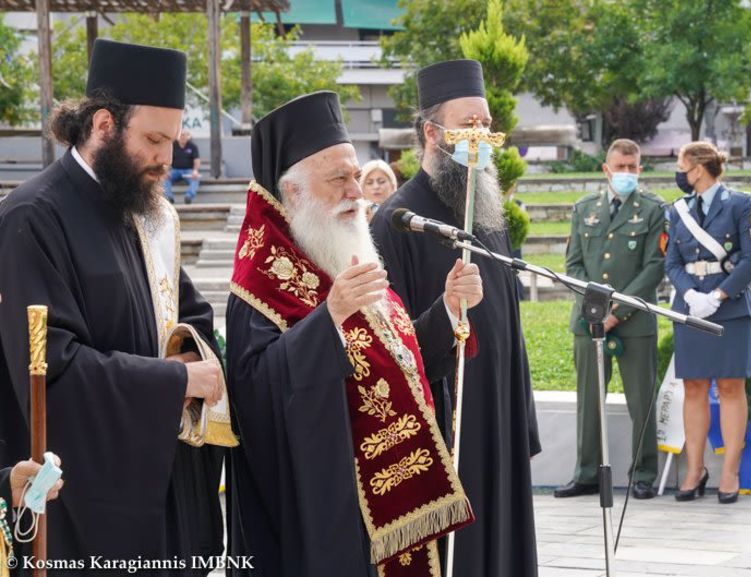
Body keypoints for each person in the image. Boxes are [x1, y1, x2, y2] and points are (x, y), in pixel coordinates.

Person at [226, 91, 483, 576]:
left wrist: (447, 312)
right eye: (338, 180)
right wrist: (329, 320)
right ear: (294, 192)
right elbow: (253, 392)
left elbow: (395, 366)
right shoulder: (260, 279)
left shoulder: (342, 246)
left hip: (391, 500)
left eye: (356, 176)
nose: (356, 193)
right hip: (327, 506)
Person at [0, 39, 226, 570]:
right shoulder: (33, 217)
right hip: (84, 502)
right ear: (104, 124)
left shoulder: (147, 212)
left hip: (161, 481)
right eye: (153, 139)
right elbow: (46, 370)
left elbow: (191, 314)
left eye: (172, 141)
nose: (167, 158)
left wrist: (195, 359)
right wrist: (174, 382)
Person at [371, 59, 540, 577]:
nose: (481, 136)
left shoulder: (486, 212)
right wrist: (445, 313)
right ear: (431, 132)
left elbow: (509, 327)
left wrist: (521, 418)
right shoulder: (397, 222)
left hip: (499, 413)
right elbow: (387, 347)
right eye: (468, 124)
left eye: (486, 125)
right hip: (450, 424)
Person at [555, 138, 665, 500]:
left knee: (641, 401)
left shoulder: (653, 209)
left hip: (635, 323)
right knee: (588, 401)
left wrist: (617, 312)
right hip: (589, 323)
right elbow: (573, 266)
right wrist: (596, 311)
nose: (627, 174)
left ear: (640, 169)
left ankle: (644, 473)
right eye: (620, 167)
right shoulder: (584, 208)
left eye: (633, 168)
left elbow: (654, 267)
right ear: (606, 169)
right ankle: (586, 473)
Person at [665, 141, 751, 504]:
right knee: (693, 386)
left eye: (681, 164)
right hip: (691, 306)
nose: (678, 172)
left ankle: (730, 472)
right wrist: (691, 296)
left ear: (698, 169)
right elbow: (671, 262)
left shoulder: (740, 203)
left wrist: (718, 296)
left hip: (731, 307)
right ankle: (695, 470)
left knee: (729, 387)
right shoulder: (678, 210)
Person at [164, 130, 201, 204]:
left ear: (188, 137)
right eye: (181, 135)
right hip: (175, 170)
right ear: (177, 137)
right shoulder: (172, 146)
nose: (182, 137)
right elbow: (167, 160)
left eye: (184, 135)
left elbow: (196, 160)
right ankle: (169, 198)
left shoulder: (193, 146)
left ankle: (188, 197)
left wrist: (195, 171)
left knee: (196, 178)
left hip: (188, 171)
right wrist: (166, 171)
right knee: (164, 177)